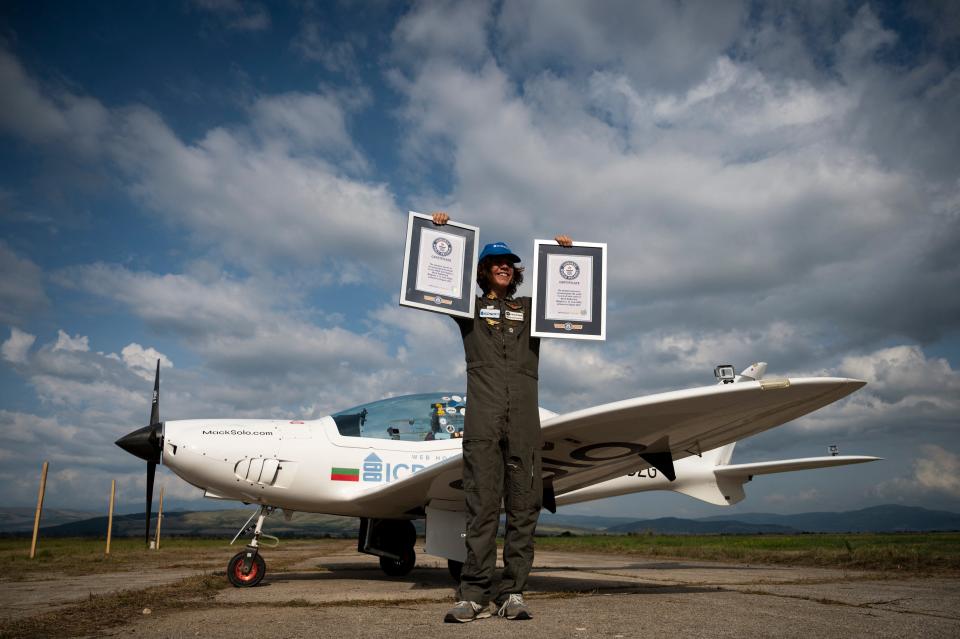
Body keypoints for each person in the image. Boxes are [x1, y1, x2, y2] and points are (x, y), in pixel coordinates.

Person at [431, 211, 572, 623]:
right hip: (482, 422)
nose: (503, 266)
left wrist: (569, 257)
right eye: (495, 262)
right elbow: (437, 281)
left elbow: (569, 292)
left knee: (525, 507)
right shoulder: (468, 311)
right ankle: (473, 593)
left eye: (509, 262)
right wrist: (438, 234)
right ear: (482, 271)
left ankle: (512, 592)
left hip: (525, 424)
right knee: (482, 507)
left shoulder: (534, 312)